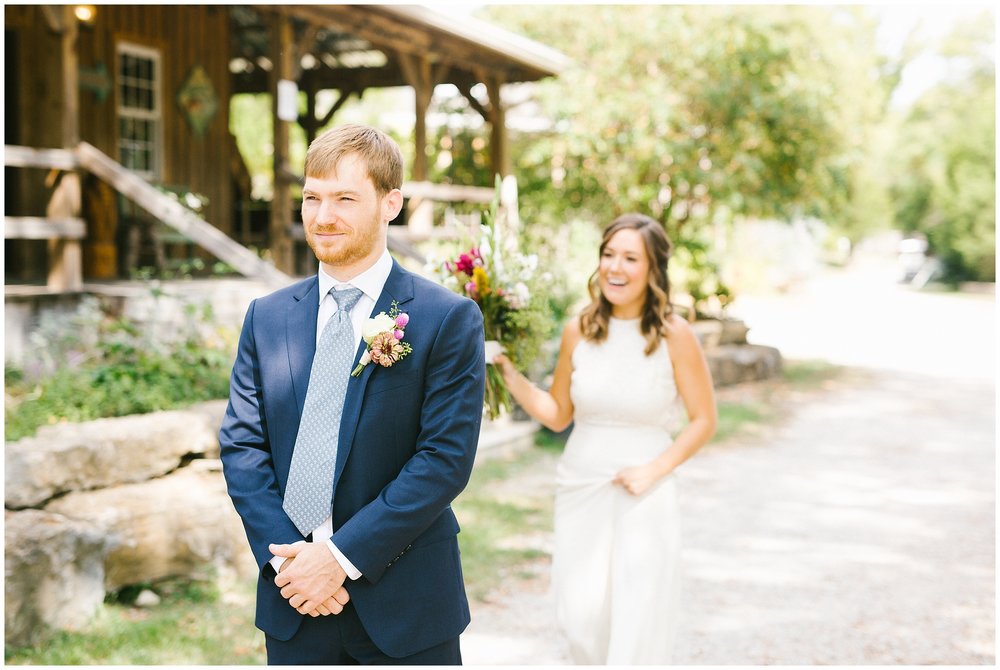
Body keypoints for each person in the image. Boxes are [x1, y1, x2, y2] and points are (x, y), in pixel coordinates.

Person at [220, 123, 486, 665]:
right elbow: (243, 449)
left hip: (406, 606)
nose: (322, 217)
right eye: (311, 198)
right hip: (294, 599)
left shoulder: (446, 318)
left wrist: (338, 559)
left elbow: (443, 460)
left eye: (345, 198)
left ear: (391, 203)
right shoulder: (266, 318)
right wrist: (291, 567)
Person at [493, 212, 717, 664]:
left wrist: (653, 470)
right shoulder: (581, 328)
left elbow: (704, 419)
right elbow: (558, 415)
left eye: (630, 258)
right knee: (580, 619)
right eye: (608, 255)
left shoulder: (676, 335)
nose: (615, 267)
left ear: (653, 269)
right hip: (581, 484)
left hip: (646, 490)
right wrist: (507, 372)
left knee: (638, 617)